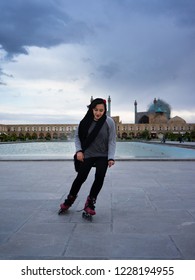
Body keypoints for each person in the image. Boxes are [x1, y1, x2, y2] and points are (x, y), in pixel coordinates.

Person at [59, 98, 116, 216]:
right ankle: (69, 200)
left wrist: (110, 157)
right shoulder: (84, 121)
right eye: (96, 110)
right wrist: (79, 151)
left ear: (105, 110)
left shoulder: (109, 122)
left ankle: (90, 203)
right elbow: (77, 137)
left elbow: (112, 141)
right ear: (91, 109)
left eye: (101, 110)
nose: (98, 113)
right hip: (88, 154)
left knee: (100, 177)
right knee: (81, 177)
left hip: (102, 155)